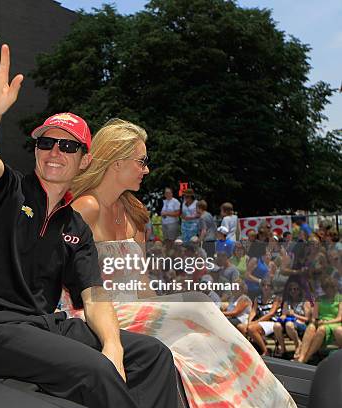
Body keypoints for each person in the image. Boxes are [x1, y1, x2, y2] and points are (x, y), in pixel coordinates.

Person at [0, 36, 178, 408]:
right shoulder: (6, 190)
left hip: (45, 325)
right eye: (47, 143)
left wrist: (113, 345)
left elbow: (94, 296)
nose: (56, 151)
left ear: (85, 160)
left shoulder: (75, 226)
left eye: (69, 146)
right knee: (95, 371)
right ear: (37, 150)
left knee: (153, 355)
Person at [70, 119, 294, 407]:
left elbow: (141, 284)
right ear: (116, 162)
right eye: (141, 161)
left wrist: (165, 310)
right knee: (199, 302)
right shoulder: (86, 207)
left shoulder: (133, 213)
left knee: (198, 344)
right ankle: (277, 400)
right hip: (97, 313)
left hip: (135, 310)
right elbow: (65, 277)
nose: (147, 169)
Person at [297, 276, 341, 363]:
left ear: (335, 287)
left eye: (331, 287)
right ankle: (301, 357)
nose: (329, 289)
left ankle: (306, 358)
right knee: (310, 327)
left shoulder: (340, 298)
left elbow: (340, 318)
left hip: (334, 323)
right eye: (327, 287)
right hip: (320, 322)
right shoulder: (319, 299)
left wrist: (326, 322)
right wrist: (316, 322)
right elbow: (314, 317)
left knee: (321, 329)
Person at [246, 280, 284, 356]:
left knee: (251, 328)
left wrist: (255, 322)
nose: (266, 287)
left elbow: (271, 313)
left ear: (271, 288)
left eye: (268, 285)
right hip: (261, 322)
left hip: (273, 322)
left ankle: (265, 351)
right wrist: (249, 321)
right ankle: (248, 350)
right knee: (242, 327)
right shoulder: (258, 298)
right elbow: (253, 311)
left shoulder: (276, 298)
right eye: (264, 285)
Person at [279, 276, 313, 360]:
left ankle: (298, 344)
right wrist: (283, 316)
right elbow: (283, 315)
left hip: (301, 325)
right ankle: (283, 350)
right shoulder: (287, 302)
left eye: (295, 289)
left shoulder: (305, 302)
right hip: (289, 324)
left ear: (299, 290)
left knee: (289, 325)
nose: (293, 291)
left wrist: (294, 315)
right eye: (291, 289)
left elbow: (307, 319)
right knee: (277, 326)